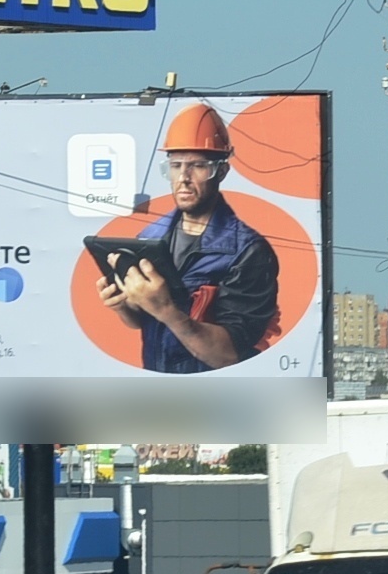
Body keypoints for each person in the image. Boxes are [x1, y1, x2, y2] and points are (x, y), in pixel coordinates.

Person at [94, 103, 281, 373]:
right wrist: (125, 306)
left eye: (197, 166)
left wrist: (167, 311)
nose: (183, 178)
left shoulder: (248, 252)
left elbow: (228, 355)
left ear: (222, 171)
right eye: (175, 166)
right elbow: (143, 321)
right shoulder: (150, 237)